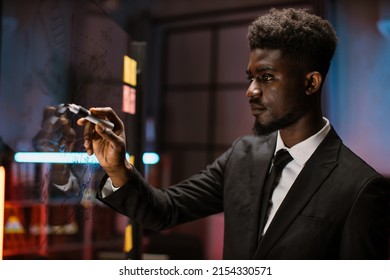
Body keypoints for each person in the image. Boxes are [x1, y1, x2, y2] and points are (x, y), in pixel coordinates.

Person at [77, 8, 390, 259]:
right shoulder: (243, 155)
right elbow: (164, 211)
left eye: (266, 78)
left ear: (311, 83)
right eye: (250, 78)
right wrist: (118, 167)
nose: (251, 91)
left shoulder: (360, 188)